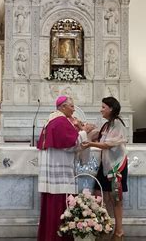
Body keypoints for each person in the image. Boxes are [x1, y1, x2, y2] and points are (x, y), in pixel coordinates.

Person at [36, 96, 89, 241]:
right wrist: (84, 132)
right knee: (59, 207)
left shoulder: (52, 120)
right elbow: (72, 144)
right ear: (63, 107)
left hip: (53, 173)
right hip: (60, 175)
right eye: (71, 106)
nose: (73, 109)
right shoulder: (60, 121)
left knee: (51, 208)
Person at [82, 96, 128, 240]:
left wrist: (90, 145)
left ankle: (119, 232)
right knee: (98, 195)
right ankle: (99, 229)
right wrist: (83, 128)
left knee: (116, 199)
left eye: (103, 107)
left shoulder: (117, 124)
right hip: (105, 166)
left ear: (111, 108)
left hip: (116, 168)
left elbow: (108, 144)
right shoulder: (107, 124)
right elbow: (97, 137)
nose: (100, 110)